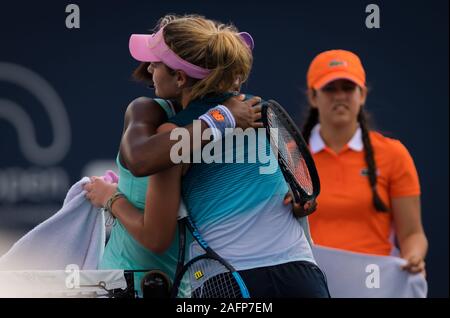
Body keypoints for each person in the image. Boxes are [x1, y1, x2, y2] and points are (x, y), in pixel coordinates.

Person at [87, 14, 329, 298]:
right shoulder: (263, 111)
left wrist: (110, 198)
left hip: (233, 284)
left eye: (156, 62)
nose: (149, 67)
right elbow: (297, 196)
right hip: (302, 277)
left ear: (179, 77)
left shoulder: (171, 134)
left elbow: (155, 236)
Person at [302, 49, 428, 275]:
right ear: (313, 96)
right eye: (330, 88)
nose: (339, 96)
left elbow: (412, 234)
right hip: (311, 282)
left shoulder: (394, 154)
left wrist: (413, 257)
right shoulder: (292, 157)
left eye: (348, 88)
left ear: (362, 95)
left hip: (377, 283)